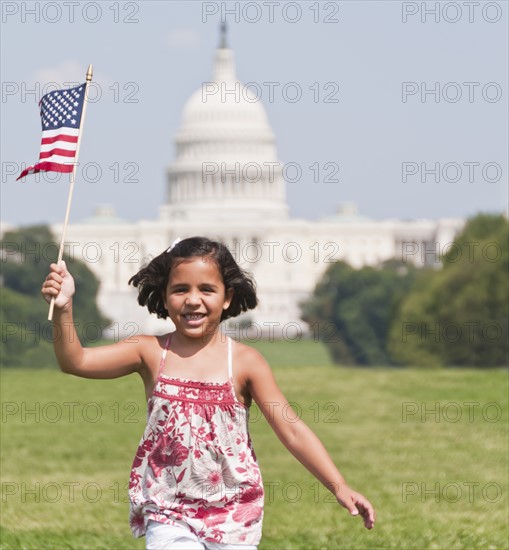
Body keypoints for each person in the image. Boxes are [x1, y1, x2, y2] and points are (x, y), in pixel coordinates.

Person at [41, 236, 375, 550]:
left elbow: (290, 428)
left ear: (227, 297)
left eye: (207, 289)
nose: (193, 300)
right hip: (168, 506)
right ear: (164, 294)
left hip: (234, 510)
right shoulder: (149, 351)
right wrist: (65, 308)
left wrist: (338, 484)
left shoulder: (246, 362)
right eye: (180, 289)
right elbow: (77, 361)